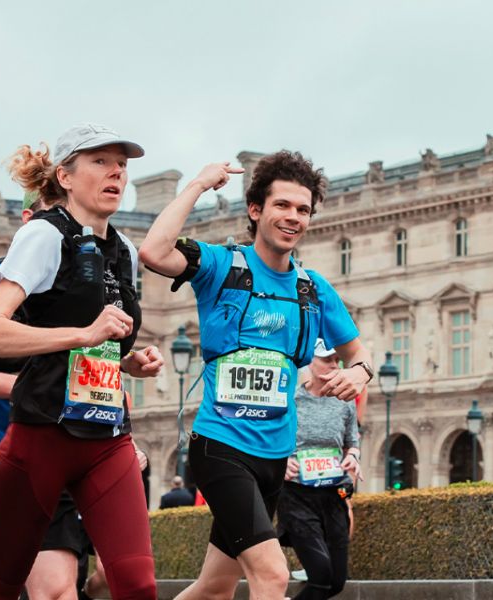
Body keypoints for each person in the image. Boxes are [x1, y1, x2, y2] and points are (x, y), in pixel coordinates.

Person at [139, 151, 372, 600]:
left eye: (303, 210)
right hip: (222, 447)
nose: (293, 217)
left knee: (214, 587)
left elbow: (359, 352)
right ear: (256, 209)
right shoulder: (220, 266)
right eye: (282, 205)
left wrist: (360, 373)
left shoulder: (313, 288)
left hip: (275, 459)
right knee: (273, 575)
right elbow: (153, 251)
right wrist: (199, 185)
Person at [0, 123, 163, 600]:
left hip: (107, 438)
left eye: (122, 165)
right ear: (66, 176)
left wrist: (127, 360)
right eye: (100, 161)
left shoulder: (125, 250)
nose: (116, 171)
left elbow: (95, 344)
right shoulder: (43, 236)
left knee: (138, 585)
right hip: (40, 439)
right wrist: (85, 334)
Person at [277, 340, 361, 600]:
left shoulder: (345, 402)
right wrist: (281, 462)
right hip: (296, 495)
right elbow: (271, 439)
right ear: (309, 362)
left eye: (337, 360)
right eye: (327, 360)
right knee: (321, 576)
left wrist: (354, 458)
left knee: (336, 582)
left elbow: (352, 443)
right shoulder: (290, 401)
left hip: (333, 494)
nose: (334, 365)